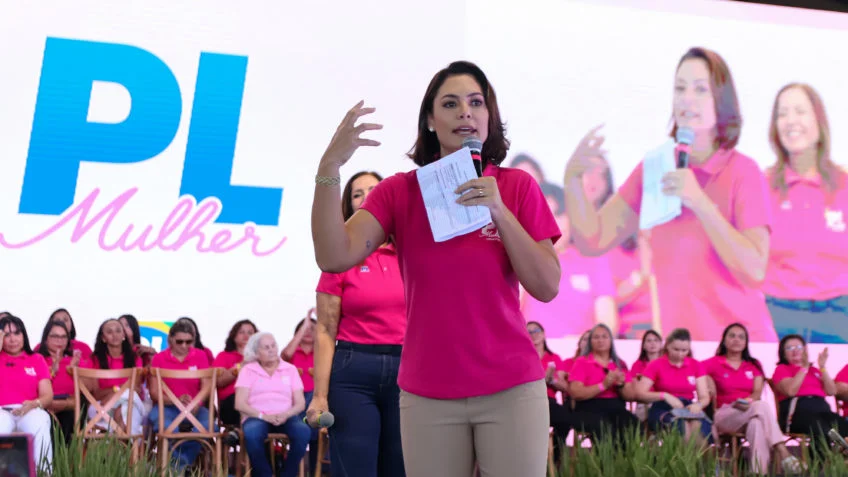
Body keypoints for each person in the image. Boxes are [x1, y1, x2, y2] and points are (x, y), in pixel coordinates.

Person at [310, 61, 561, 477]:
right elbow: (333, 256)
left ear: (488, 116)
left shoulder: (515, 187)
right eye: (450, 103)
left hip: (511, 387)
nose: (465, 111)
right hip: (427, 392)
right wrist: (329, 169)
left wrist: (497, 210)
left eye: (476, 102)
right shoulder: (399, 192)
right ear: (430, 120)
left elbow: (547, 285)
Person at [564, 47, 776, 342]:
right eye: (680, 88)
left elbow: (754, 270)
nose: (687, 98)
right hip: (679, 355)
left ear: (722, 101)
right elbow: (593, 239)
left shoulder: (744, 171)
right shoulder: (656, 168)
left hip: (742, 352)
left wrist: (700, 202)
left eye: (701, 89)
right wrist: (573, 178)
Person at [306, 170, 406, 477]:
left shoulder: (409, 254)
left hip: (408, 371)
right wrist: (320, 396)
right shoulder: (338, 260)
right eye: (358, 193)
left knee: (401, 467)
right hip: (353, 372)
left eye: (375, 190)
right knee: (356, 468)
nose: (367, 198)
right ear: (349, 207)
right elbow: (324, 330)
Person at [762, 83, 848, 343]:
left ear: (819, 122)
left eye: (800, 111)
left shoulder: (844, 184)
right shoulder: (761, 186)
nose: (790, 121)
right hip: (777, 317)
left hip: (840, 318)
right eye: (782, 113)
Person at [522, 155, 617, 337]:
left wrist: (582, 345)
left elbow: (607, 321)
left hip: (581, 357)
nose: (551, 223)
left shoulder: (594, 260)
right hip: (533, 357)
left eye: (558, 214)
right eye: (543, 215)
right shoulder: (520, 261)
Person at [703, 324, 802, 475]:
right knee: (761, 407)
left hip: (748, 410)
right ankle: (784, 452)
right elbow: (694, 374)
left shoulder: (754, 364)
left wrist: (747, 402)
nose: (736, 339)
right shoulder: (711, 363)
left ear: (746, 342)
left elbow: (757, 392)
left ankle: (757, 473)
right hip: (724, 414)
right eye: (732, 336)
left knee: (756, 423)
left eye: (741, 337)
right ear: (724, 340)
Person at [235, 332, 310, 477]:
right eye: (266, 347)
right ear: (257, 353)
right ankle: (265, 474)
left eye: (273, 345)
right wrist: (263, 416)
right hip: (257, 416)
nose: (271, 350)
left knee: (303, 431)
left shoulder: (290, 369)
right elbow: (239, 403)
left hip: (285, 416)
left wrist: (286, 414)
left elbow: (300, 403)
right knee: (251, 433)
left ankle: (288, 474)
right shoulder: (248, 370)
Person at [149, 321, 212, 474]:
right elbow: (154, 392)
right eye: (179, 341)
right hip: (167, 407)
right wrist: (176, 400)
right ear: (170, 340)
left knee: (207, 427)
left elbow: (207, 386)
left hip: (195, 407)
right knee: (165, 426)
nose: (184, 346)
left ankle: (179, 466)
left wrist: (195, 403)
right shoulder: (159, 358)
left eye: (189, 342)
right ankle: (183, 466)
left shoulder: (201, 356)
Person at [771, 334, 848, 458]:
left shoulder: (815, 371)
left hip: (823, 414)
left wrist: (822, 368)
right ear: (783, 354)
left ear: (805, 350)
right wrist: (804, 367)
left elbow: (832, 391)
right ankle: (814, 470)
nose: (795, 350)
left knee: (843, 429)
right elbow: (790, 391)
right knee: (823, 431)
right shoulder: (782, 369)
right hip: (796, 415)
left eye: (798, 346)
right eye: (789, 348)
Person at [636, 328, 713, 446]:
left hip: (688, 407)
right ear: (667, 346)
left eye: (684, 350)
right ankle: (684, 463)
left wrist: (699, 404)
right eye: (676, 349)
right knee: (683, 428)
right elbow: (640, 393)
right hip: (663, 407)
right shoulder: (656, 365)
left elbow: (704, 397)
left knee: (698, 428)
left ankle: (698, 463)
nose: (680, 354)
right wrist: (664, 396)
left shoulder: (696, 365)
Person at [567, 324, 638, 448]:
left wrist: (621, 385)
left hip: (616, 407)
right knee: (605, 428)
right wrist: (603, 385)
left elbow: (631, 396)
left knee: (632, 424)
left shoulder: (620, 363)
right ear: (590, 341)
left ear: (611, 340)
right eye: (596, 337)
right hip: (588, 408)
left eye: (604, 337)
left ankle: (627, 462)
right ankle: (606, 465)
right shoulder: (582, 362)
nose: (600, 340)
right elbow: (576, 393)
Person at [0, 315, 53, 469]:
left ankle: (43, 472)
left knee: (40, 420)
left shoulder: (36, 359)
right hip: (1, 411)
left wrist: (34, 404)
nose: (12, 339)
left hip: (29, 409)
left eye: (17, 333)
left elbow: (47, 396)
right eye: (6, 335)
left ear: (24, 335)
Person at [87, 319, 145, 435]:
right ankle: (130, 448)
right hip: (101, 407)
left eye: (118, 331)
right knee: (128, 402)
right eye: (109, 332)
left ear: (124, 335)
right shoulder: (94, 359)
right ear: (103, 338)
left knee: (125, 408)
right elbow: (96, 394)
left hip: (129, 404)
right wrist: (121, 390)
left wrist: (114, 392)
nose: (115, 335)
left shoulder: (135, 359)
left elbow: (137, 390)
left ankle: (116, 443)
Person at [526, 321, 570, 467]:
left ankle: (556, 459)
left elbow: (564, 386)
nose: (533, 334)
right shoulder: (522, 356)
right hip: (526, 401)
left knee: (565, 419)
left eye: (536, 330)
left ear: (544, 334)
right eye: (529, 331)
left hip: (547, 401)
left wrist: (551, 380)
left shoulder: (554, 358)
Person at [36, 320, 86, 444]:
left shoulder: (75, 361)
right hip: (43, 406)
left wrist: (75, 371)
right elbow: (33, 389)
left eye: (63, 337)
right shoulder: (37, 360)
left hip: (70, 406)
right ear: (46, 339)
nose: (60, 341)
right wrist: (52, 371)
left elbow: (89, 391)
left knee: (70, 417)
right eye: (55, 336)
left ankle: (66, 461)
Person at [215, 319, 257, 428]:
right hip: (231, 404)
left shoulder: (263, 358)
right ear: (233, 336)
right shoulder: (223, 356)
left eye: (250, 332)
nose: (246, 335)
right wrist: (241, 365)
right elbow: (218, 382)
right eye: (241, 332)